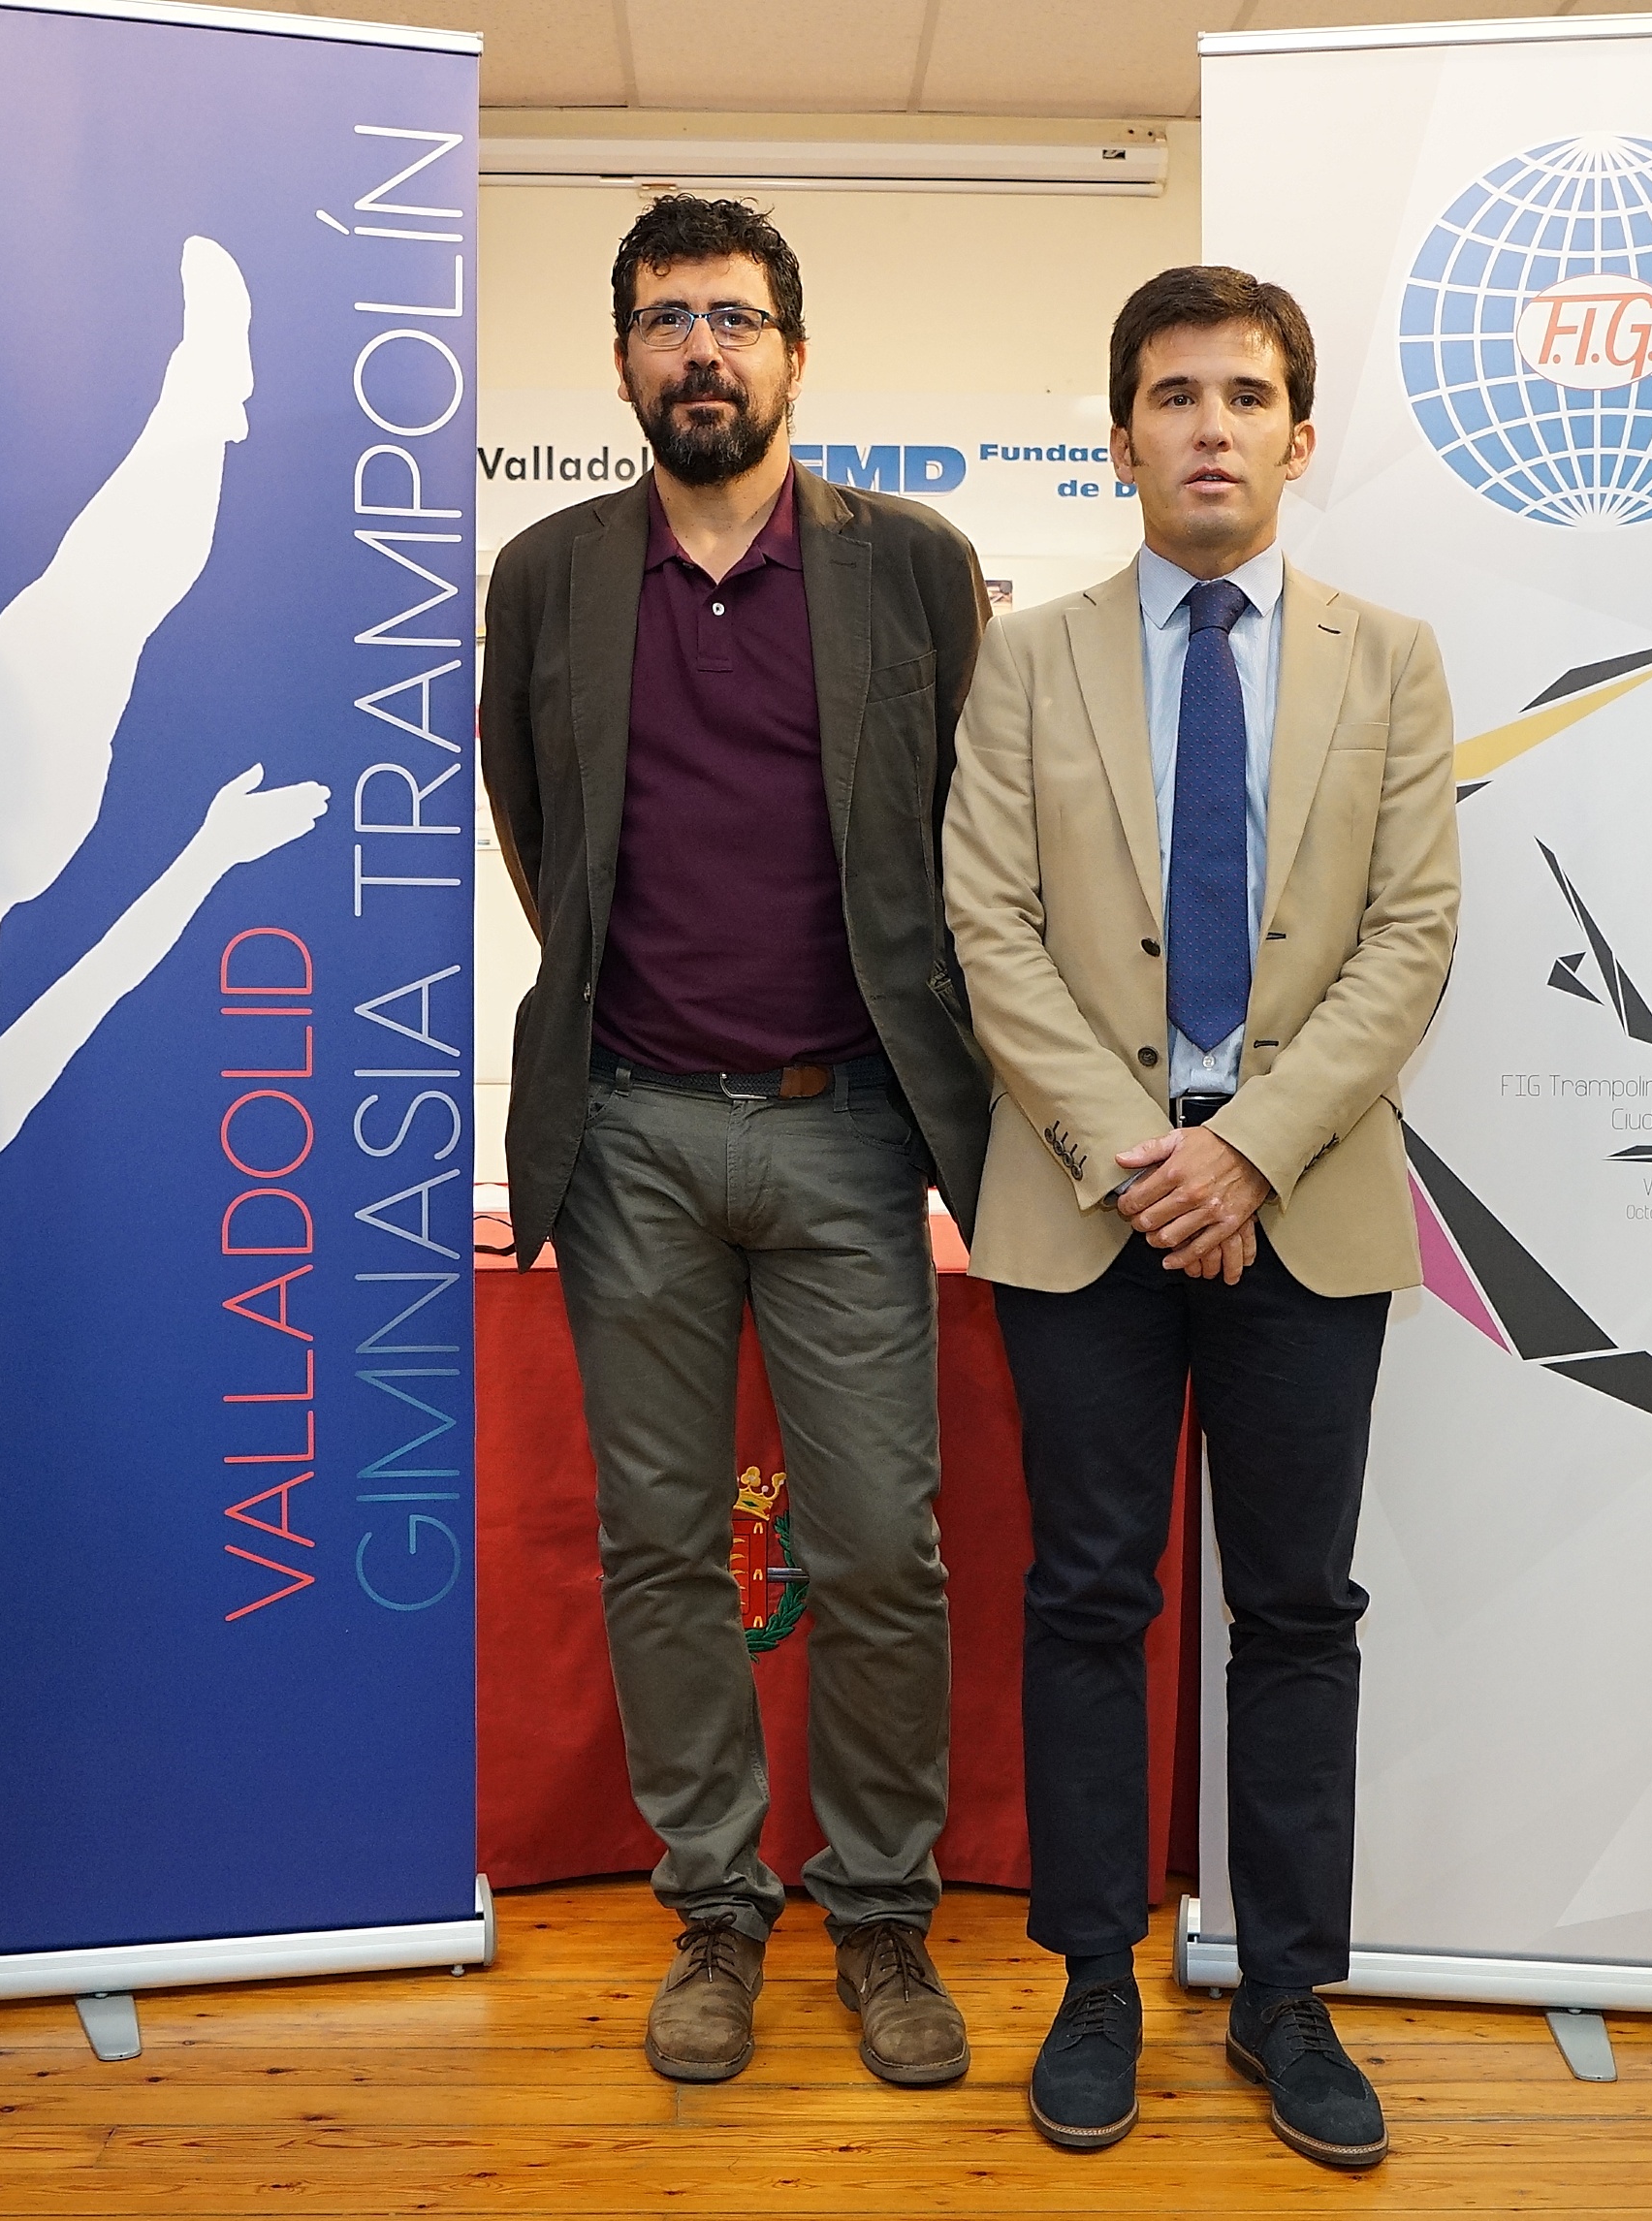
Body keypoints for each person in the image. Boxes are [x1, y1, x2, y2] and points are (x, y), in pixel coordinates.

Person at [941, 267, 1459, 2168]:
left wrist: (1246, 1151)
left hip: (1301, 1207)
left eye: (1245, 395)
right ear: (1120, 437)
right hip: (1085, 1208)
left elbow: (1411, 936)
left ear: (1297, 437)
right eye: (1173, 396)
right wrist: (1143, 1158)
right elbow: (988, 930)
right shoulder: (1027, 659)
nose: (1210, 427)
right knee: (1088, 1596)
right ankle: (1092, 1979)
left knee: (1297, 1606)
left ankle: (1286, 1997)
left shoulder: (1389, 660)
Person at [478, 195, 993, 2089]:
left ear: (792, 353)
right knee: (658, 1549)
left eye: (735, 319)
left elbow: (966, 838)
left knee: (879, 1552)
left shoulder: (912, 567)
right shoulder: (545, 575)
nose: (701, 349)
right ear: (621, 357)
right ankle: (712, 1905)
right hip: (628, 1133)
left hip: (845, 1129)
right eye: (665, 318)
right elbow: (537, 831)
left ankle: (881, 1913)